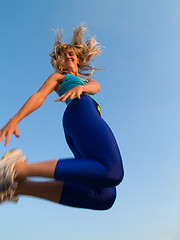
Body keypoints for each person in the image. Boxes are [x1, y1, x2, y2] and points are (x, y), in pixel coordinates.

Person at [0, 23, 124, 210]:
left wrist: (82, 87)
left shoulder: (87, 80)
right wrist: (15, 119)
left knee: (105, 195)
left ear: (78, 59)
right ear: (58, 61)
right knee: (112, 171)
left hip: (82, 124)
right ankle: (16, 169)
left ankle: (17, 187)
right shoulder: (59, 77)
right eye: (63, 54)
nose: (68, 55)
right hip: (79, 111)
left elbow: (96, 87)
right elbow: (39, 96)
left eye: (71, 53)